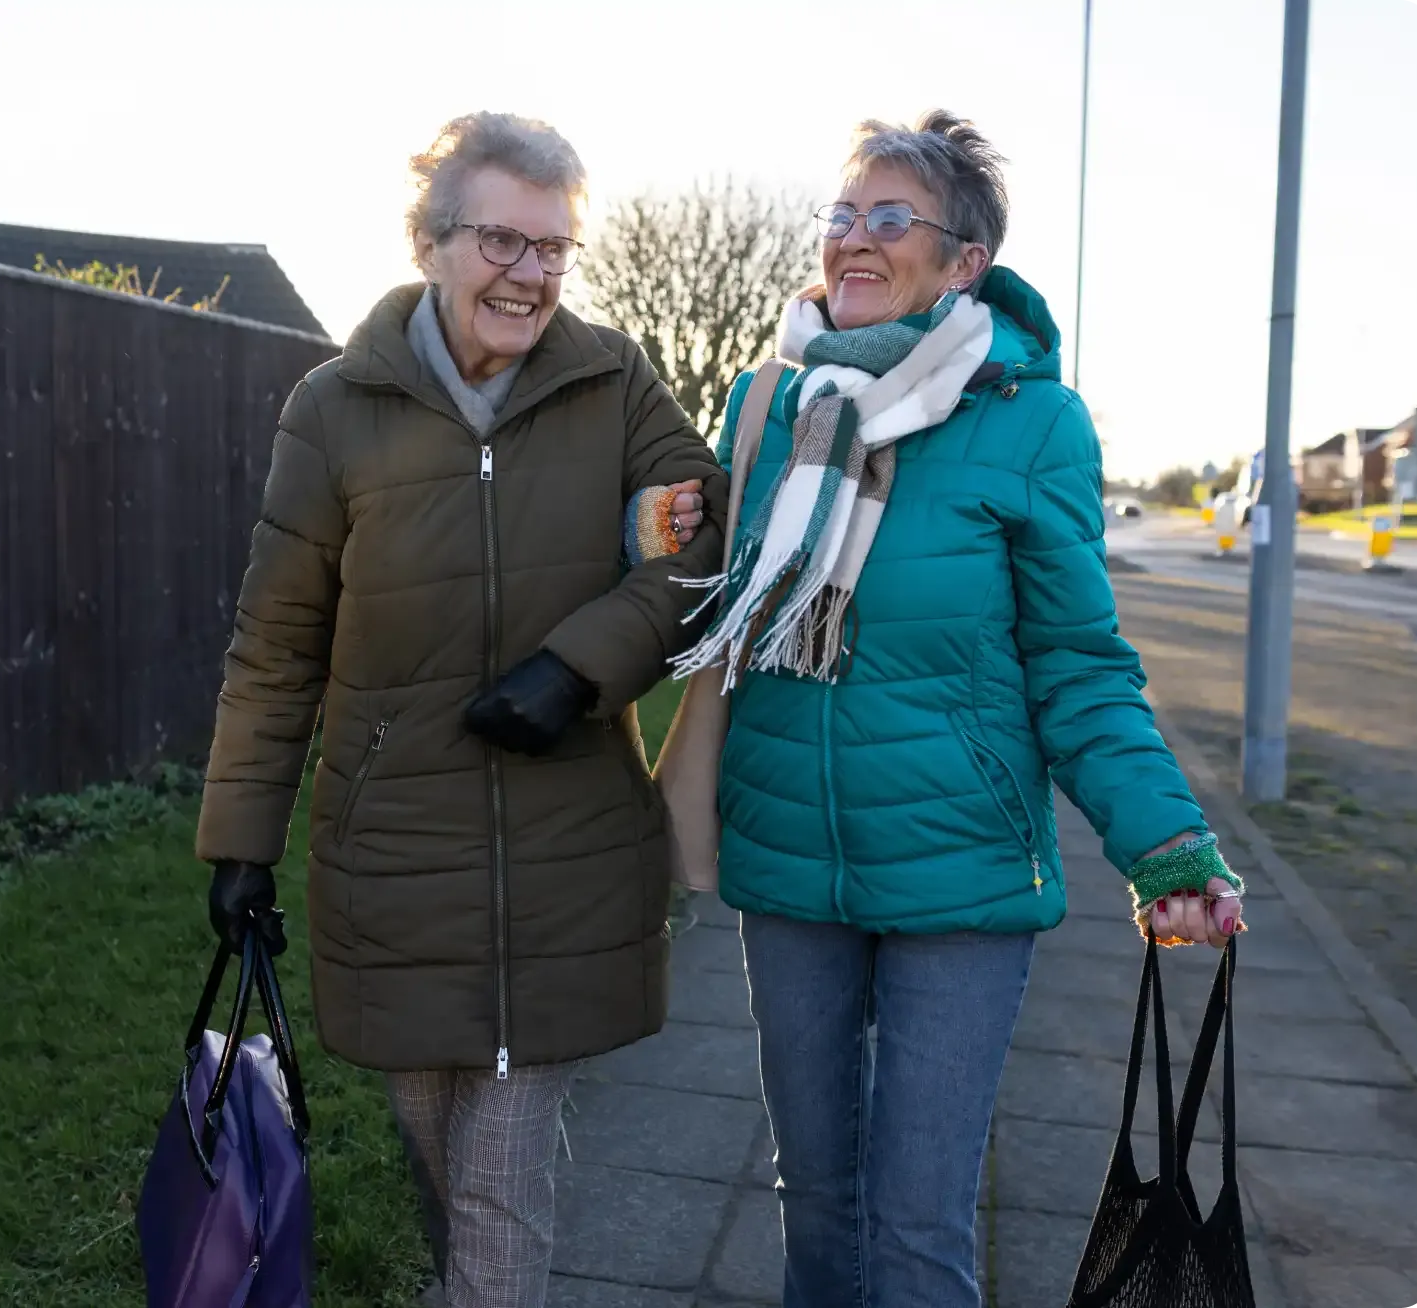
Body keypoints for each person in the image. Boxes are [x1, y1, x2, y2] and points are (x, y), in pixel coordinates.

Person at [665, 110, 1248, 1306]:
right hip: (787, 857)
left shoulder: (1032, 422)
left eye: (891, 218)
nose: (854, 239)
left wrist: (1166, 844)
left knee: (917, 1226)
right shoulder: (771, 403)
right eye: (841, 214)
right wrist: (652, 525)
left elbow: (1078, 664)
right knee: (812, 1201)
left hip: (959, 874)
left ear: (963, 261)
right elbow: (722, 586)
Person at [193, 111, 726, 1308]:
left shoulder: (614, 382)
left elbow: (698, 550)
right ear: (430, 242)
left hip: (569, 854)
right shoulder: (332, 410)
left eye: (554, 247)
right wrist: (240, 843)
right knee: (445, 1162)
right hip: (395, 861)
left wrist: (577, 669)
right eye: (502, 241)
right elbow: (277, 643)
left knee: (496, 1187)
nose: (530, 273)